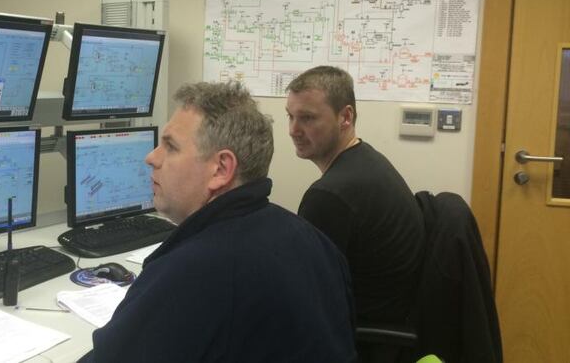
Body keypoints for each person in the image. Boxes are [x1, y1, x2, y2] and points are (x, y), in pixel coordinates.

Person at [79, 82, 356, 363]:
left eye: (171, 146)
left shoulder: (195, 271)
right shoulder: (312, 240)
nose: (151, 157)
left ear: (221, 169)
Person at [285, 66, 424, 327]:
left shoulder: (330, 196)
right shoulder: (368, 160)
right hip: (394, 321)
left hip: (363, 337)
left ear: (345, 117)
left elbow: (305, 293)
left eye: (307, 118)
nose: (293, 129)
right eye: (290, 116)